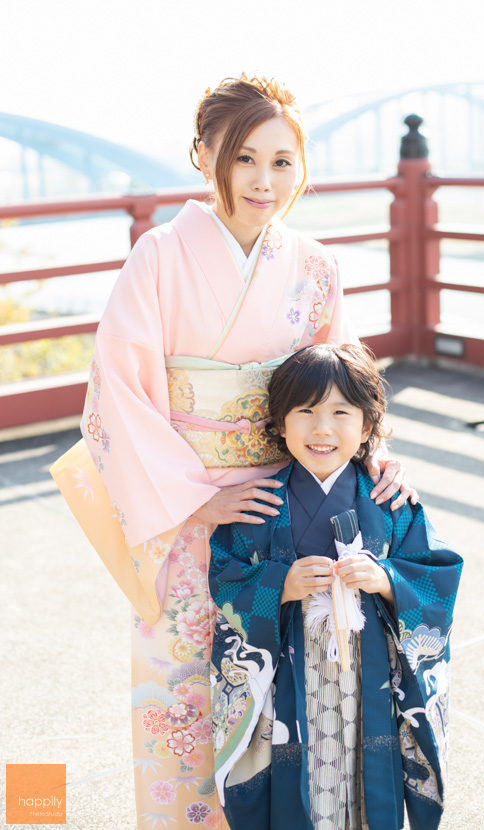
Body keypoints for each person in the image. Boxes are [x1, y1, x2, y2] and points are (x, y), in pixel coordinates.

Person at [50, 76, 416, 830]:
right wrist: (194, 499)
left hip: (286, 504)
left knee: (285, 692)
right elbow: (118, 388)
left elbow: (334, 386)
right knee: (186, 686)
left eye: (282, 162)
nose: (263, 180)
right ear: (202, 154)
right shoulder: (159, 256)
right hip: (183, 504)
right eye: (243, 158)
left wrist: (371, 452)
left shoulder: (313, 267)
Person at [209, 343, 463, 830]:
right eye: (304, 412)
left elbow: (437, 573)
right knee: (298, 777)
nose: (322, 429)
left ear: (366, 427)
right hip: (290, 676)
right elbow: (225, 576)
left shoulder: (389, 499)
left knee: (366, 779)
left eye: (341, 413)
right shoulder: (261, 503)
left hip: (370, 678)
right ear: (280, 424)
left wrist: (387, 579)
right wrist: (281, 585)